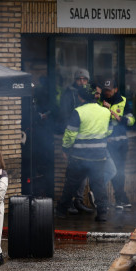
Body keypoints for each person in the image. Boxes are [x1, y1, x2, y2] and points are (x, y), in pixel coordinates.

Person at [57, 86, 113, 222]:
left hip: (79, 157)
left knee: (71, 185)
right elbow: (109, 131)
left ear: (80, 97)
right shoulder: (105, 112)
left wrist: (65, 149)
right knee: (99, 185)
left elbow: (70, 134)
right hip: (99, 156)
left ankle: (61, 211)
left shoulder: (78, 112)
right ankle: (102, 213)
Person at [100, 79, 135, 210]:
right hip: (107, 143)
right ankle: (110, 198)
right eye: (105, 90)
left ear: (115, 89)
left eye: (109, 90)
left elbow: (131, 120)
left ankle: (120, 198)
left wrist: (113, 113)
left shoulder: (123, 101)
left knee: (120, 171)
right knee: (112, 171)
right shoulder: (100, 101)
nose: (107, 92)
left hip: (121, 143)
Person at [58, 68, 89, 133]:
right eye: (79, 79)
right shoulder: (68, 93)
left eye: (84, 79)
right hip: (73, 126)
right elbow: (64, 113)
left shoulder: (91, 92)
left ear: (87, 80)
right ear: (75, 80)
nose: (82, 82)